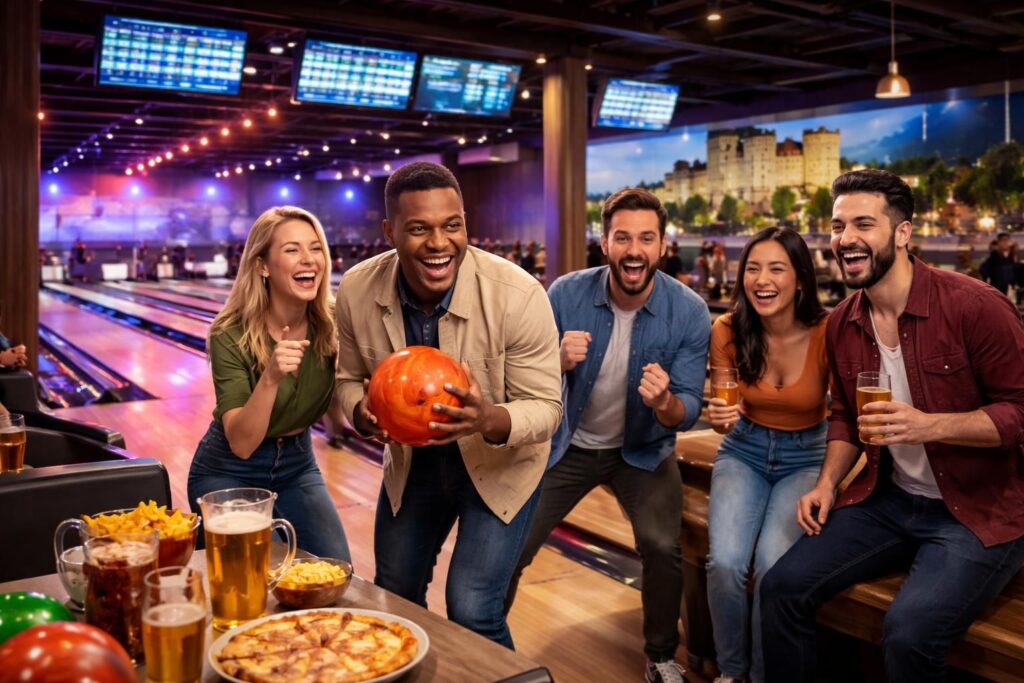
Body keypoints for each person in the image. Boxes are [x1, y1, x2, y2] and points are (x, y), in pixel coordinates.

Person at [760, 169, 1024, 682]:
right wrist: (827, 483)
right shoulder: (843, 321)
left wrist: (929, 426)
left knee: (908, 635)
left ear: (903, 233)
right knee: (780, 589)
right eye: (838, 227)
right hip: (889, 502)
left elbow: (1020, 412)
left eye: (863, 224)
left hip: (977, 510)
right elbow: (844, 416)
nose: (846, 239)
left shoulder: (975, 306)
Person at [333, 162, 562, 648]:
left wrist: (487, 418)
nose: (439, 243)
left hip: (500, 467)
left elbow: (546, 409)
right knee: (394, 596)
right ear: (389, 231)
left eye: (451, 225)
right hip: (412, 465)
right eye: (418, 228)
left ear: (465, 224)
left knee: (472, 608)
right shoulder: (356, 288)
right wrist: (361, 412)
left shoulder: (518, 295)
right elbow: (347, 379)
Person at [506, 188, 710, 683]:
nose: (633, 249)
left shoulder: (689, 312)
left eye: (646, 238)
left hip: (642, 452)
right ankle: (484, 639)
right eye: (622, 237)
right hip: (566, 447)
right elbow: (518, 379)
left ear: (663, 246)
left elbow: (687, 411)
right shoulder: (565, 294)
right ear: (604, 242)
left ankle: (661, 655)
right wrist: (554, 361)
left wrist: (664, 403)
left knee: (663, 547)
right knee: (511, 543)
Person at [187, 206, 351, 561]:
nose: (309, 259)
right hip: (229, 470)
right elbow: (242, 443)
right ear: (262, 265)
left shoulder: (335, 321)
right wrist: (271, 376)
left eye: (316, 247)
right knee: (251, 579)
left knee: (336, 570)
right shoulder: (229, 334)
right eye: (292, 249)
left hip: (298, 464)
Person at [705, 227, 829, 683]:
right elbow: (722, 412)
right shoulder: (727, 329)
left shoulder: (827, 331)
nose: (763, 279)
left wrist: (830, 481)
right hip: (744, 450)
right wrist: (720, 416)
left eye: (777, 268)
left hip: (806, 457)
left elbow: (847, 416)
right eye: (753, 268)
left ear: (800, 278)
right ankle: (731, 673)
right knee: (726, 564)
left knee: (773, 567)